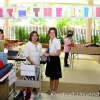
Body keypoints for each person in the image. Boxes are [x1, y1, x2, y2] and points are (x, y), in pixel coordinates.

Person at [44, 27, 62, 95]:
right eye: (50, 32)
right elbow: (49, 47)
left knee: (56, 76)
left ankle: (55, 90)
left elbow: (58, 53)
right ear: (49, 34)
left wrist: (48, 54)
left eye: (53, 32)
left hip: (55, 60)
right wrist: (45, 52)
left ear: (55, 34)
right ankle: (51, 89)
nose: (52, 34)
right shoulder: (50, 40)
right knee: (51, 76)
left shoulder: (57, 41)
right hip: (50, 60)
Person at [24, 31, 42, 97]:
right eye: (33, 36)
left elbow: (40, 54)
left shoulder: (39, 44)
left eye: (36, 36)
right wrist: (31, 62)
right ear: (31, 37)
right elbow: (26, 54)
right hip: (29, 63)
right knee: (28, 76)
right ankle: (27, 89)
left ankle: (34, 89)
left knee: (36, 76)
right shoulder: (28, 44)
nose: (34, 37)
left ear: (37, 36)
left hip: (37, 63)